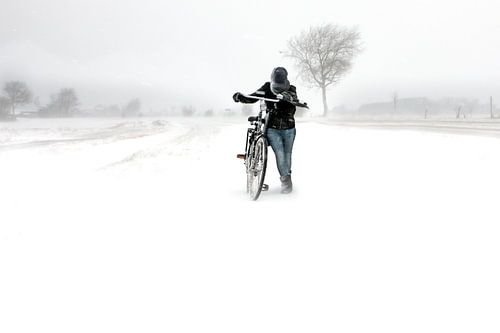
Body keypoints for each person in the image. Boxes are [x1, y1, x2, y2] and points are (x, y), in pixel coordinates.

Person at [233, 67, 299, 194]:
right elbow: (252, 97)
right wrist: (241, 97)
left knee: (287, 155)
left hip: (289, 128)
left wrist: (286, 97)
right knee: (280, 154)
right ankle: (286, 182)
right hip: (273, 129)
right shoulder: (266, 88)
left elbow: (293, 97)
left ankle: (287, 178)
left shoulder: (291, 89)